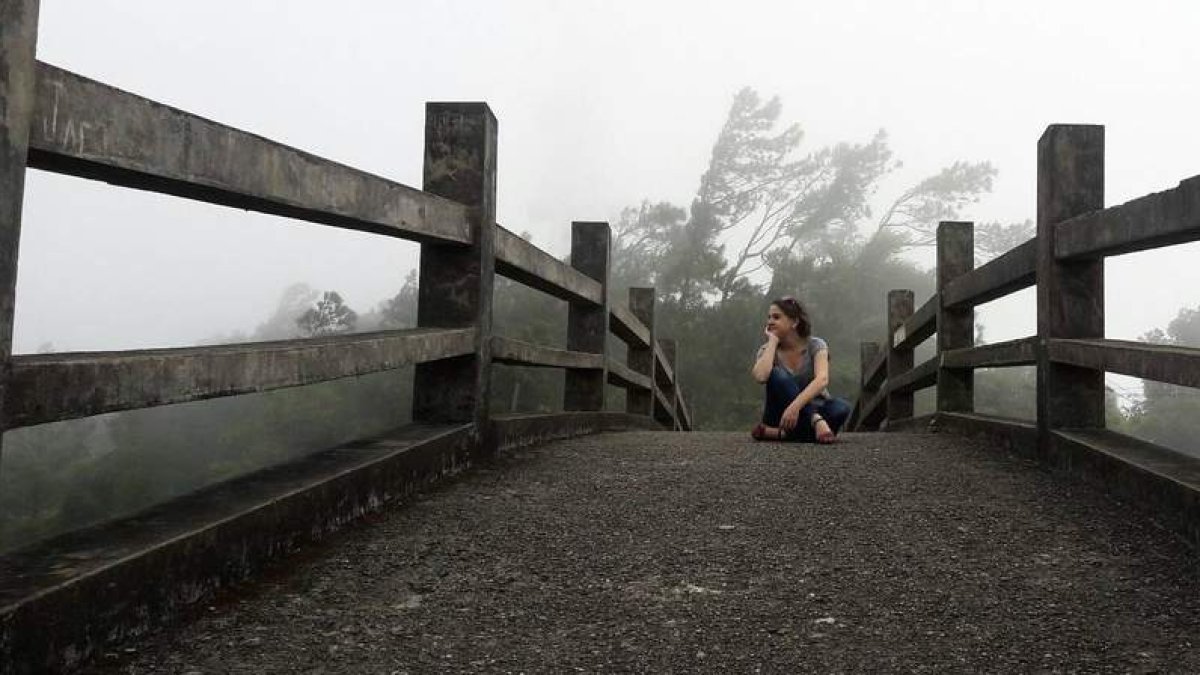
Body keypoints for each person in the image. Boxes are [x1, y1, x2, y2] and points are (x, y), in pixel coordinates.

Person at [750, 296, 851, 443]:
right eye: (769, 317)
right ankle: (814, 424)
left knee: (841, 408)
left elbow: (822, 380)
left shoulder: (816, 345)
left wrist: (795, 407)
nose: (770, 322)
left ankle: (782, 435)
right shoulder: (767, 350)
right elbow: (760, 377)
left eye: (776, 317)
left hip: (815, 406)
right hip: (780, 414)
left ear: (795, 322)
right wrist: (772, 341)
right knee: (777, 374)